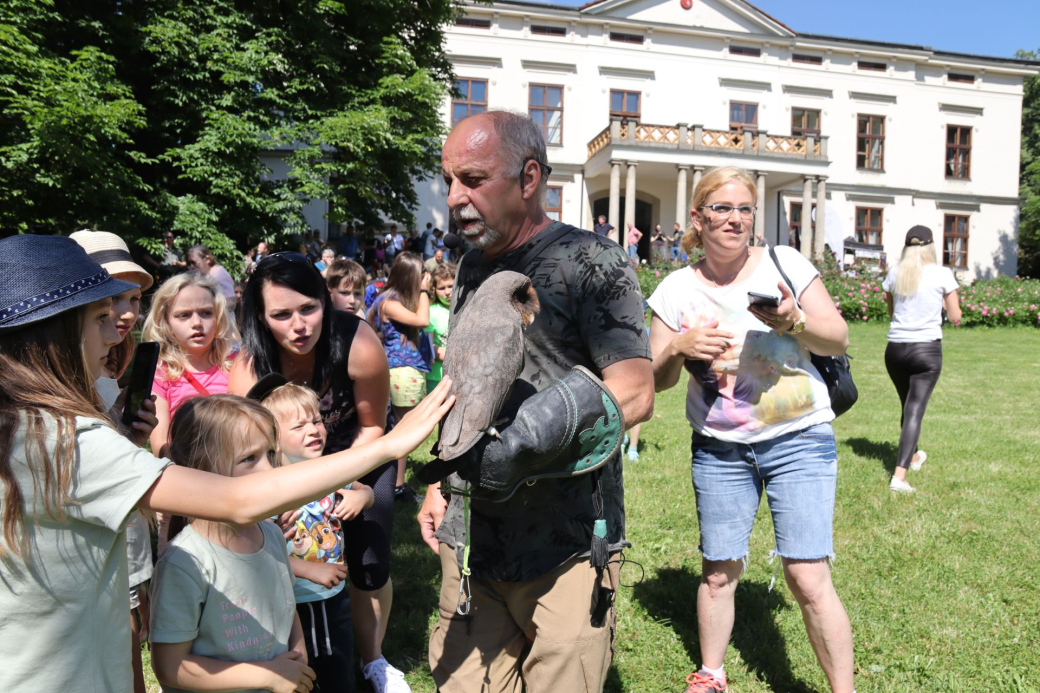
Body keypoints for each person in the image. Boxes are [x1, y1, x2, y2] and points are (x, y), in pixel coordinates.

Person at [0, 234, 453, 693]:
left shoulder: (22, 426)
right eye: (98, 318)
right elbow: (237, 499)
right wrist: (388, 446)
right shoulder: (63, 440)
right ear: (53, 336)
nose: (116, 328)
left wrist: (125, 440)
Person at [417, 110, 654, 693]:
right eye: (449, 180)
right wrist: (437, 478)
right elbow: (467, 378)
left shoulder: (594, 262)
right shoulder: (473, 266)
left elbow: (636, 390)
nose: (454, 197)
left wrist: (529, 438)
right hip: (475, 533)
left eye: (472, 179)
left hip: (567, 540)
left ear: (528, 179)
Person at [646, 166, 854, 693]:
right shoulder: (675, 290)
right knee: (718, 573)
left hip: (798, 440)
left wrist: (795, 322)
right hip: (720, 449)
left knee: (807, 576)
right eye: (722, 209)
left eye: (744, 209)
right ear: (697, 218)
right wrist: (677, 347)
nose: (735, 220)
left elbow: (838, 338)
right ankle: (712, 674)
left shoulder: (784, 266)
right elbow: (657, 381)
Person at [228, 252, 413, 693]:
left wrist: (345, 484)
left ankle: (373, 660)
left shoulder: (359, 343)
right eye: (282, 314)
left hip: (363, 456)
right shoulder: (248, 368)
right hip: (285, 468)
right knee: (282, 554)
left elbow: (373, 427)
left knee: (368, 560)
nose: (300, 325)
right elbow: (248, 451)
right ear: (260, 314)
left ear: (325, 301)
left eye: (309, 308)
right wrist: (278, 498)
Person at [149, 395, 312, 693]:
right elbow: (170, 667)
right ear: (201, 470)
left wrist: (298, 656)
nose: (270, 471)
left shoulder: (272, 534)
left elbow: (286, 605)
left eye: (271, 454)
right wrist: (267, 675)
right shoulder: (185, 563)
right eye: (250, 459)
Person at [71, 229, 155, 693]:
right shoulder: (57, 377)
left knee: (131, 636)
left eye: (133, 300)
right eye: (110, 301)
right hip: (90, 538)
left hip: (123, 521)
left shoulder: (106, 365)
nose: (125, 314)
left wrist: (130, 434)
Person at [257, 379, 377, 693]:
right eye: (299, 426)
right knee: (298, 670)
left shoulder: (329, 470)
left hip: (330, 597)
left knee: (335, 665)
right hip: (290, 600)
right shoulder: (272, 487)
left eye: (316, 421)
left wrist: (360, 498)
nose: (313, 430)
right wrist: (309, 569)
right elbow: (259, 549)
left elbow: (365, 491)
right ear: (273, 439)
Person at [883, 225, 961, 493]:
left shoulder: (895, 272)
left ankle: (914, 456)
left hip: (895, 350)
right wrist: (942, 306)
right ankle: (899, 477)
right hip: (925, 350)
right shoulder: (942, 274)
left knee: (907, 405)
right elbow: (955, 316)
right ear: (930, 247)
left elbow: (892, 309)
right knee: (914, 409)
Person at [366, 252, 431, 503]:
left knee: (400, 429)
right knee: (403, 432)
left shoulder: (394, 300)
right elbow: (422, 320)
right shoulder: (388, 302)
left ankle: (394, 484)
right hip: (400, 371)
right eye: (421, 276)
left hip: (404, 370)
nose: (425, 280)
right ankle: (398, 486)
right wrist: (424, 292)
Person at [425, 262, 455, 394]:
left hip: (462, 375)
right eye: (441, 288)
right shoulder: (431, 312)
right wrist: (454, 356)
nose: (447, 292)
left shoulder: (466, 309)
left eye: (450, 286)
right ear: (434, 290)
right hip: (437, 377)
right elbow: (430, 345)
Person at [187, 244, 238, 313]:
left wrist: (209, 309)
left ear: (207, 259)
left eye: (193, 262)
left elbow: (231, 302)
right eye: (189, 263)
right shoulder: (203, 275)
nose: (191, 266)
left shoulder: (219, 274)